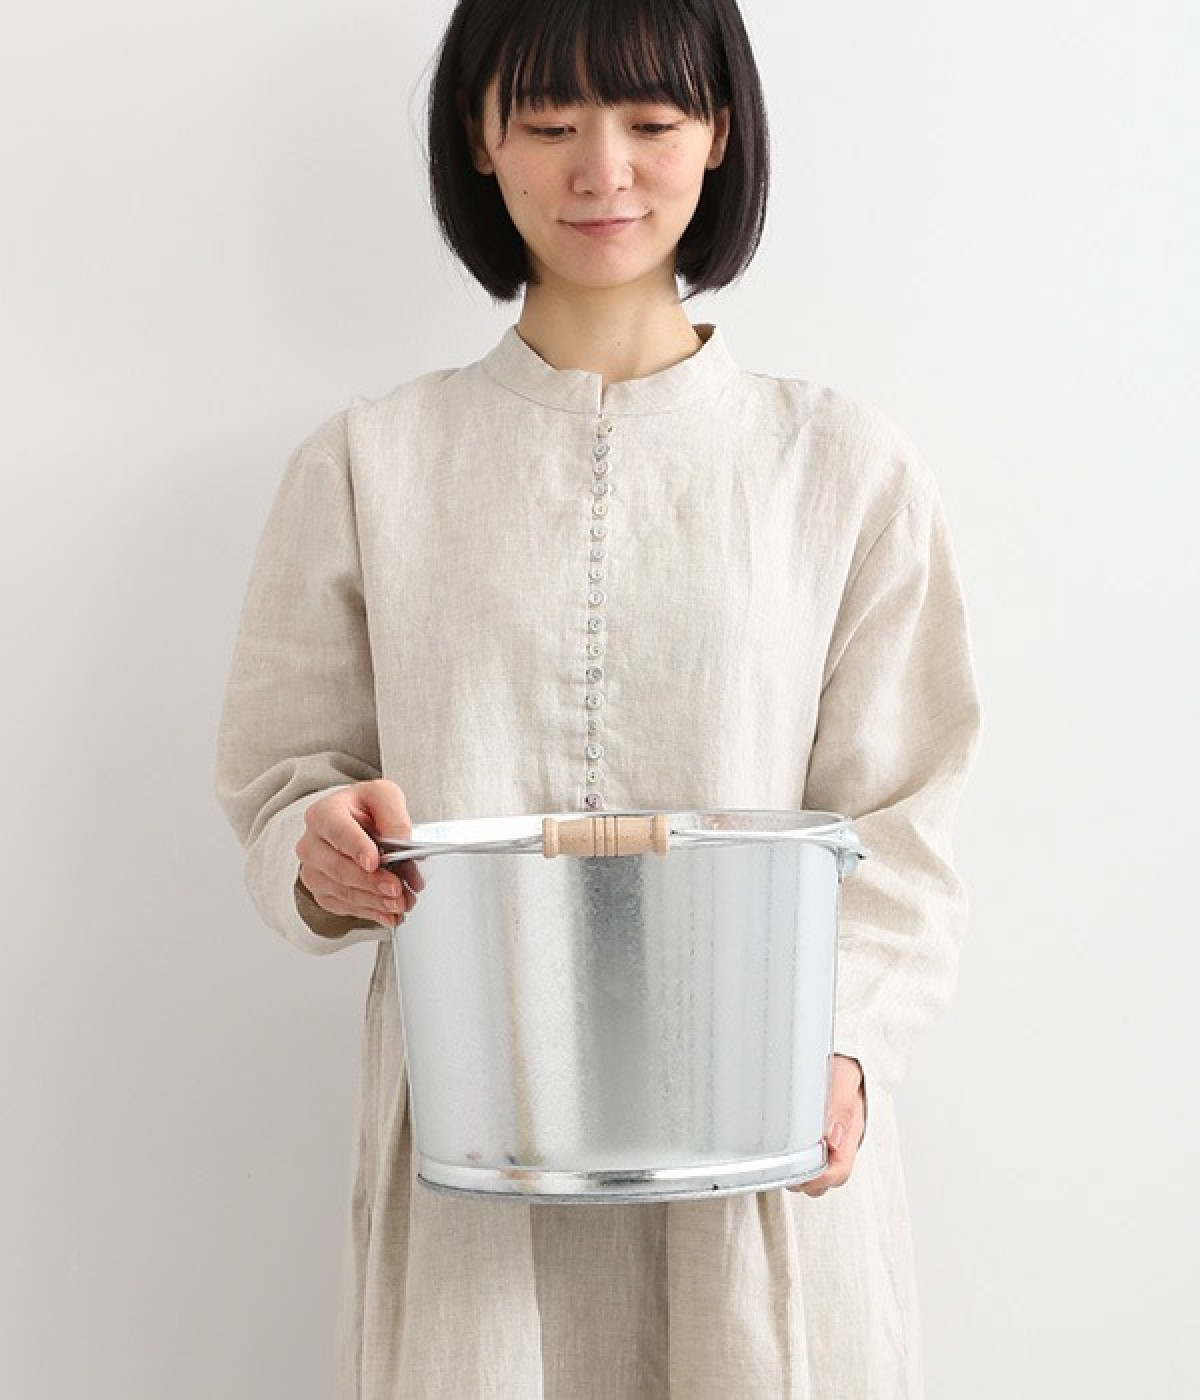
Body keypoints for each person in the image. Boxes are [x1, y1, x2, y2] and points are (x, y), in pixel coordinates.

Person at [216, 0, 981, 1394]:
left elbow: (903, 820)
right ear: (480, 138)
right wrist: (321, 848)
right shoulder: (369, 465)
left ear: (721, 132)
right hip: (476, 1178)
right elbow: (283, 780)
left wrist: (845, 1043)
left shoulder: (843, 468)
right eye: (551, 123)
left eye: (650, 120)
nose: (603, 172)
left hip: (761, 1158)